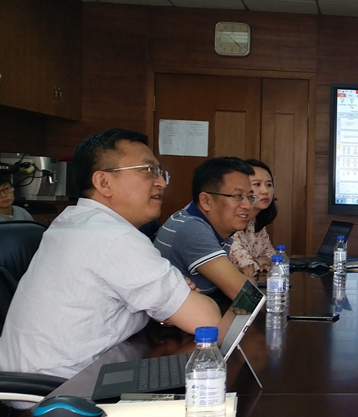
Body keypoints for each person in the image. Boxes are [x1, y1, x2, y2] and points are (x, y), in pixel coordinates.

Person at [0, 129, 220, 378]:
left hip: (44, 377)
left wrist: (169, 306)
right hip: (57, 390)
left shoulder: (76, 221)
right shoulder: (113, 237)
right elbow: (207, 322)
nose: (161, 182)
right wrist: (177, 301)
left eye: (160, 172)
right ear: (104, 182)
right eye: (148, 170)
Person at [154, 156, 256, 305]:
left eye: (250, 197)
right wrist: (247, 284)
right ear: (206, 201)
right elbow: (247, 296)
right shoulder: (191, 229)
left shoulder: (206, 223)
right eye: (237, 196)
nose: (247, 205)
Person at [229, 159, 279, 278]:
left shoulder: (255, 221)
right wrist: (260, 261)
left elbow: (273, 256)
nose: (265, 191)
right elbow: (246, 268)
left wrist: (264, 260)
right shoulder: (230, 221)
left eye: (269, 185)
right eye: (257, 184)